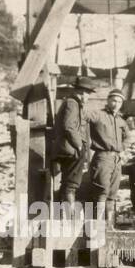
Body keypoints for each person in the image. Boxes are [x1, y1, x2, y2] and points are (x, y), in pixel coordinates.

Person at [81, 87, 129, 223]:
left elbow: (128, 137)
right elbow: (82, 116)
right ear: (108, 101)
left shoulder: (120, 120)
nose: (116, 104)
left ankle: (109, 225)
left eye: (119, 102)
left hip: (117, 158)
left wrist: (122, 147)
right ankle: (98, 224)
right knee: (102, 190)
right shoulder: (98, 115)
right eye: (113, 101)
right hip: (103, 156)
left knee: (112, 193)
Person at [50, 75, 93, 205]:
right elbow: (69, 126)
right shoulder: (72, 103)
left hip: (68, 148)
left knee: (68, 182)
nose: (84, 96)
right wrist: (79, 146)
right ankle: (70, 215)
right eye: (82, 92)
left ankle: (63, 213)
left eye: (87, 93)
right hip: (71, 149)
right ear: (76, 92)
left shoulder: (74, 104)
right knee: (72, 183)